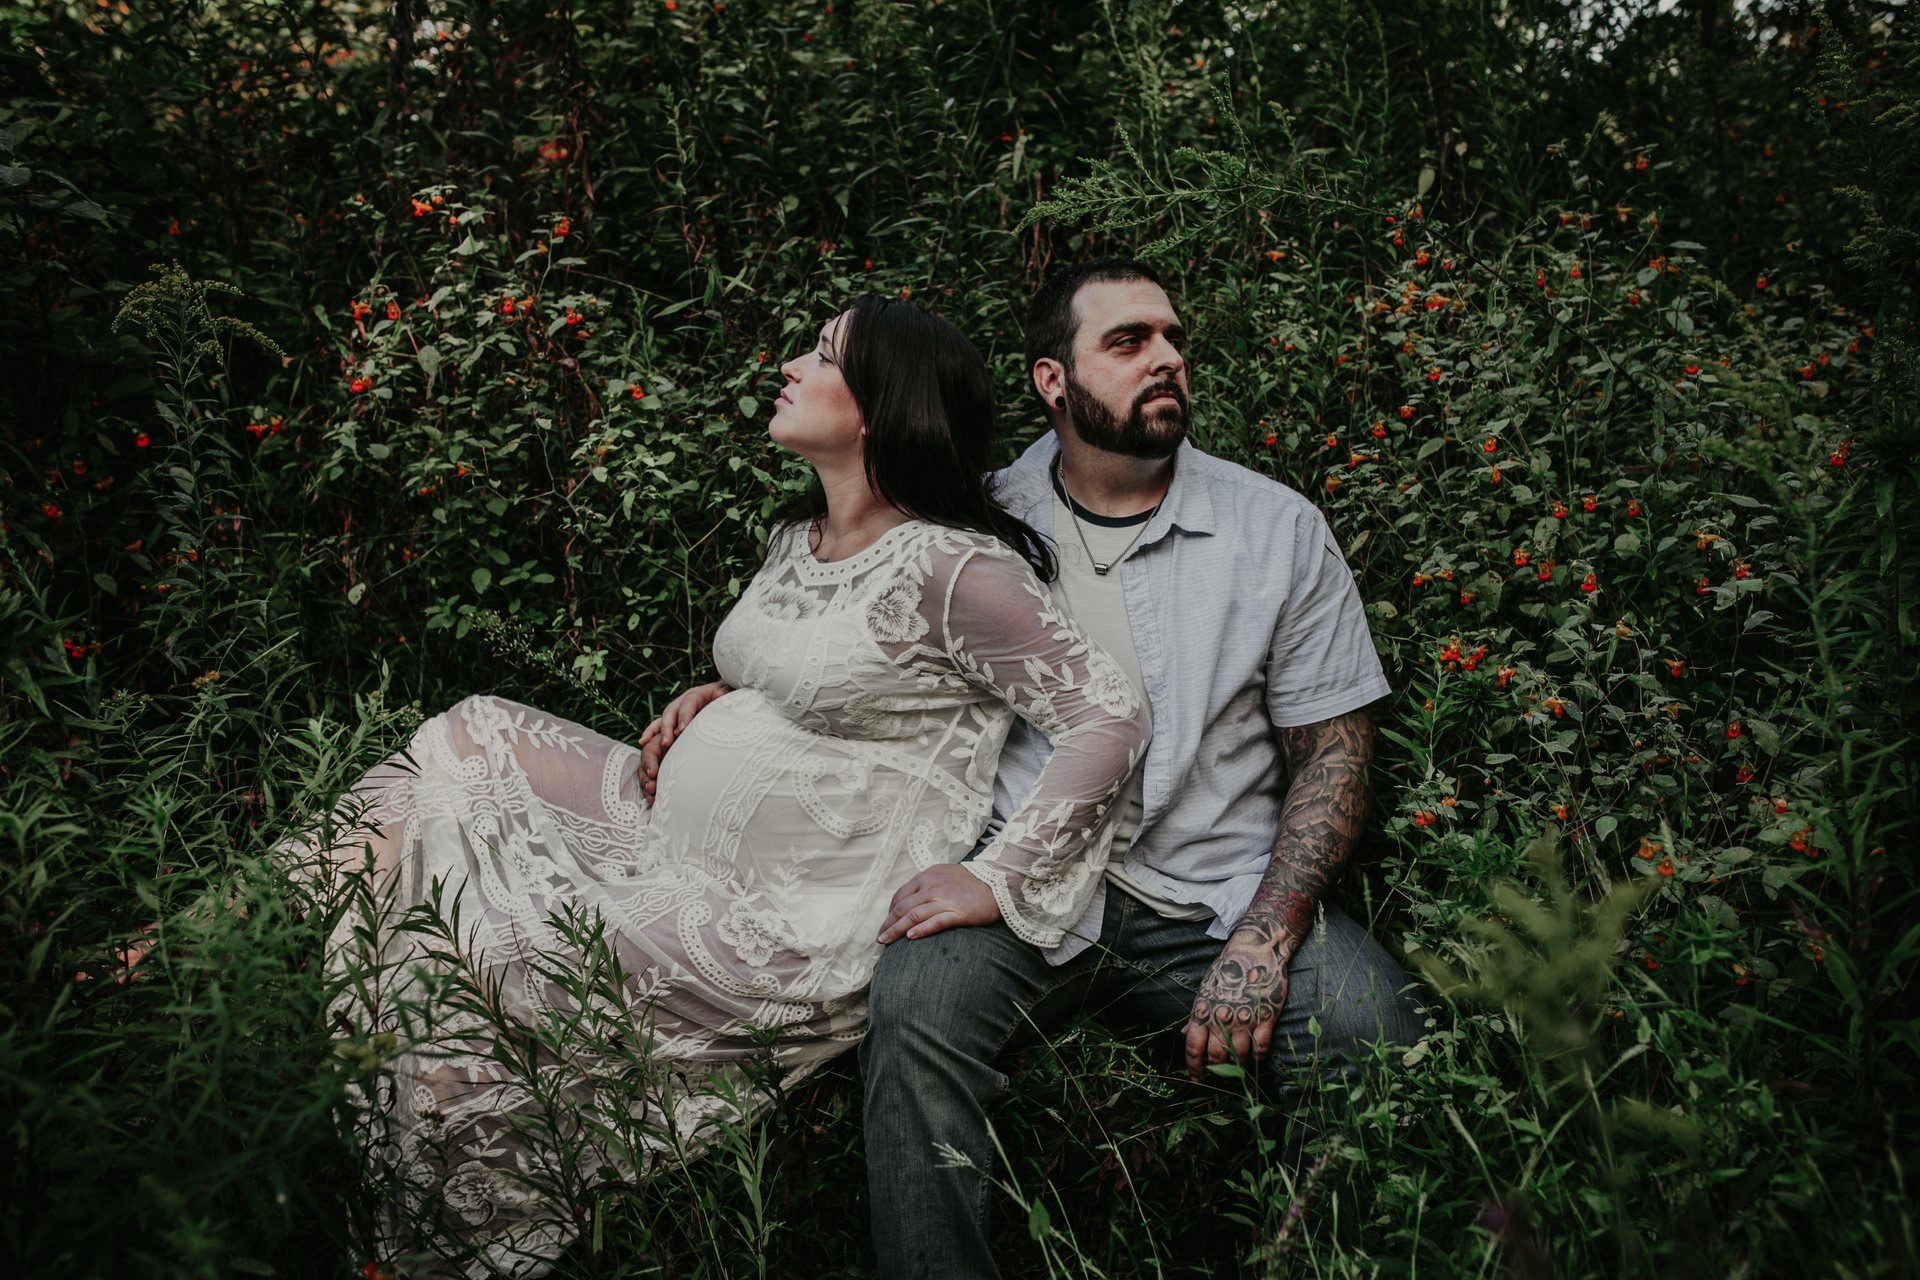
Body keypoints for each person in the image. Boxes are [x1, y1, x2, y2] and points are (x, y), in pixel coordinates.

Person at [312, 296, 1151, 1277]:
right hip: (666, 821)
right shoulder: (799, 536)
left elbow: (1109, 715)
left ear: (886, 405)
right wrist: (717, 689)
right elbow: (823, 674)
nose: (790, 363)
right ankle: (240, 930)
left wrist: (998, 876)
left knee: (477, 944)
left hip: (783, 909)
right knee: (469, 734)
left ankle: (431, 1235)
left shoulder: (956, 569)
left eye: (824, 354)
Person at [859, 259, 1425, 1278]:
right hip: (1024, 886)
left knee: (1377, 1029)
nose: (1166, 358)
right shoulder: (973, 520)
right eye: (1127, 343)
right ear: (1052, 381)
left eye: (1171, 337)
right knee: (911, 1012)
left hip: (1213, 887)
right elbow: (860, 667)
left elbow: (1334, 751)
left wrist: (1266, 930)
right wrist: (730, 698)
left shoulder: (1275, 529)